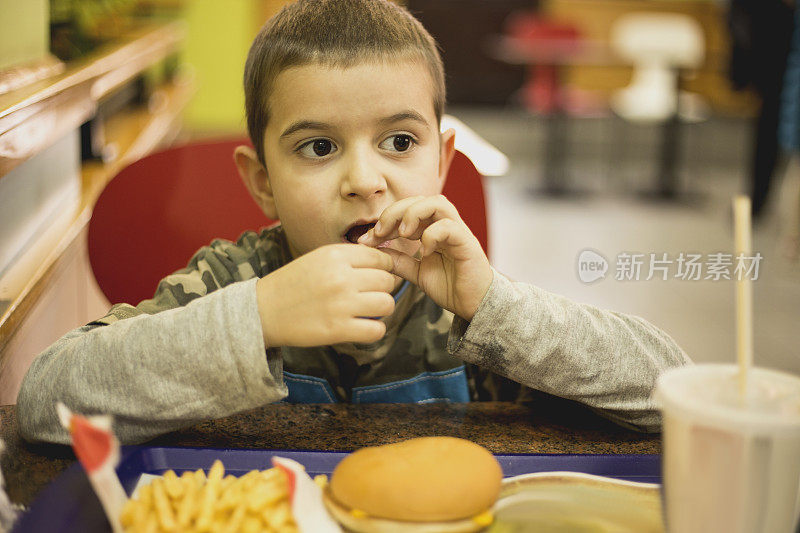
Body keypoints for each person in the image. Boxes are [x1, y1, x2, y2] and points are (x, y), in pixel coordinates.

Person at [17, 0, 691, 445]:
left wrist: (496, 306)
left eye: (399, 142)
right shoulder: (232, 280)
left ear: (443, 161)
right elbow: (47, 400)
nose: (365, 180)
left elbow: (672, 395)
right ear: (263, 183)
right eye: (318, 147)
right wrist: (260, 316)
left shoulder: (470, 308)